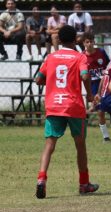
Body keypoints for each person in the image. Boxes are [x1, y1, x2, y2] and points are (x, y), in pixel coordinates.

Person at [34, 25, 99, 199]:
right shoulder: (80, 57)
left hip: (54, 105)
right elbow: (85, 76)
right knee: (80, 146)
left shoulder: (51, 57)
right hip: (73, 106)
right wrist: (90, 95)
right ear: (75, 39)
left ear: (60, 40)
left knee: (49, 145)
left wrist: (51, 82)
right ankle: (84, 184)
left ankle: (41, 179)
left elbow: (38, 79)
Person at [82, 32, 111, 143]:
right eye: (87, 42)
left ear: (94, 41)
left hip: (106, 83)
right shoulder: (82, 56)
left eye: (91, 41)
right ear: (84, 43)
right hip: (93, 85)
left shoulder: (101, 52)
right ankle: (106, 137)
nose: (89, 44)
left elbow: (110, 65)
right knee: (100, 111)